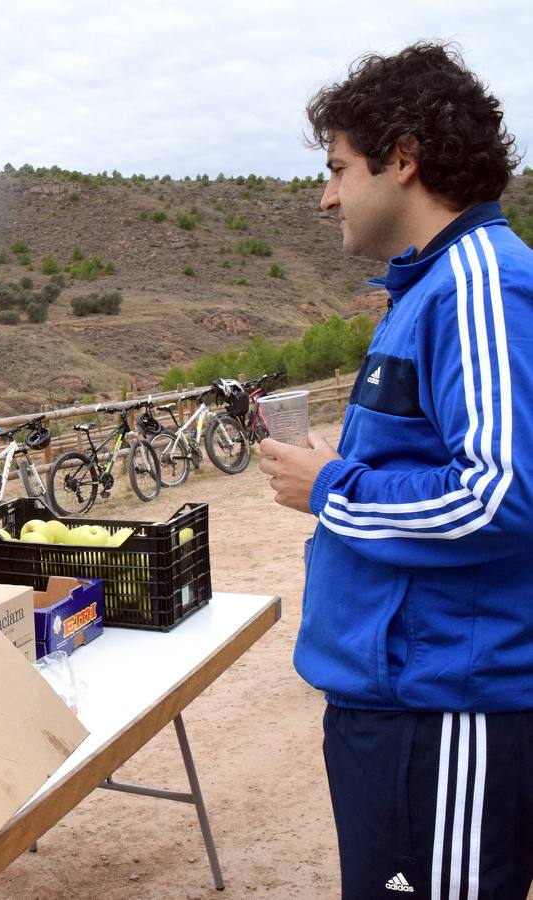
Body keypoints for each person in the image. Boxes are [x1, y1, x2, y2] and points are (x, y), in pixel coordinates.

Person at [258, 43, 533, 899]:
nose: (327, 193)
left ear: (404, 159)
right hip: (398, 701)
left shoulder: (479, 283)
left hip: (445, 707)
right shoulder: (426, 289)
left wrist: (331, 490)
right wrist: (354, 465)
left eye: (339, 168)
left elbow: (498, 494)